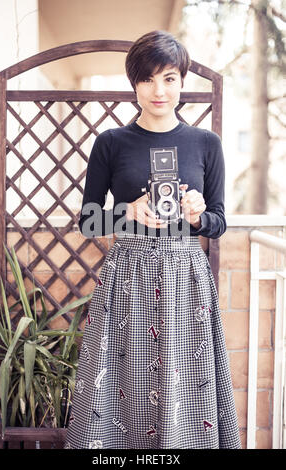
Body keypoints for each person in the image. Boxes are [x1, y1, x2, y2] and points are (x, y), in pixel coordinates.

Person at [64, 30, 241, 449]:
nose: (158, 90)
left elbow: (219, 222)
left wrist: (199, 215)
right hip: (127, 277)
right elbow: (87, 222)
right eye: (147, 79)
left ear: (182, 81)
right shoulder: (111, 143)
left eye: (169, 79)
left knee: (187, 384)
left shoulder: (206, 143)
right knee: (120, 382)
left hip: (186, 279)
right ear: (134, 85)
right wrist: (128, 211)